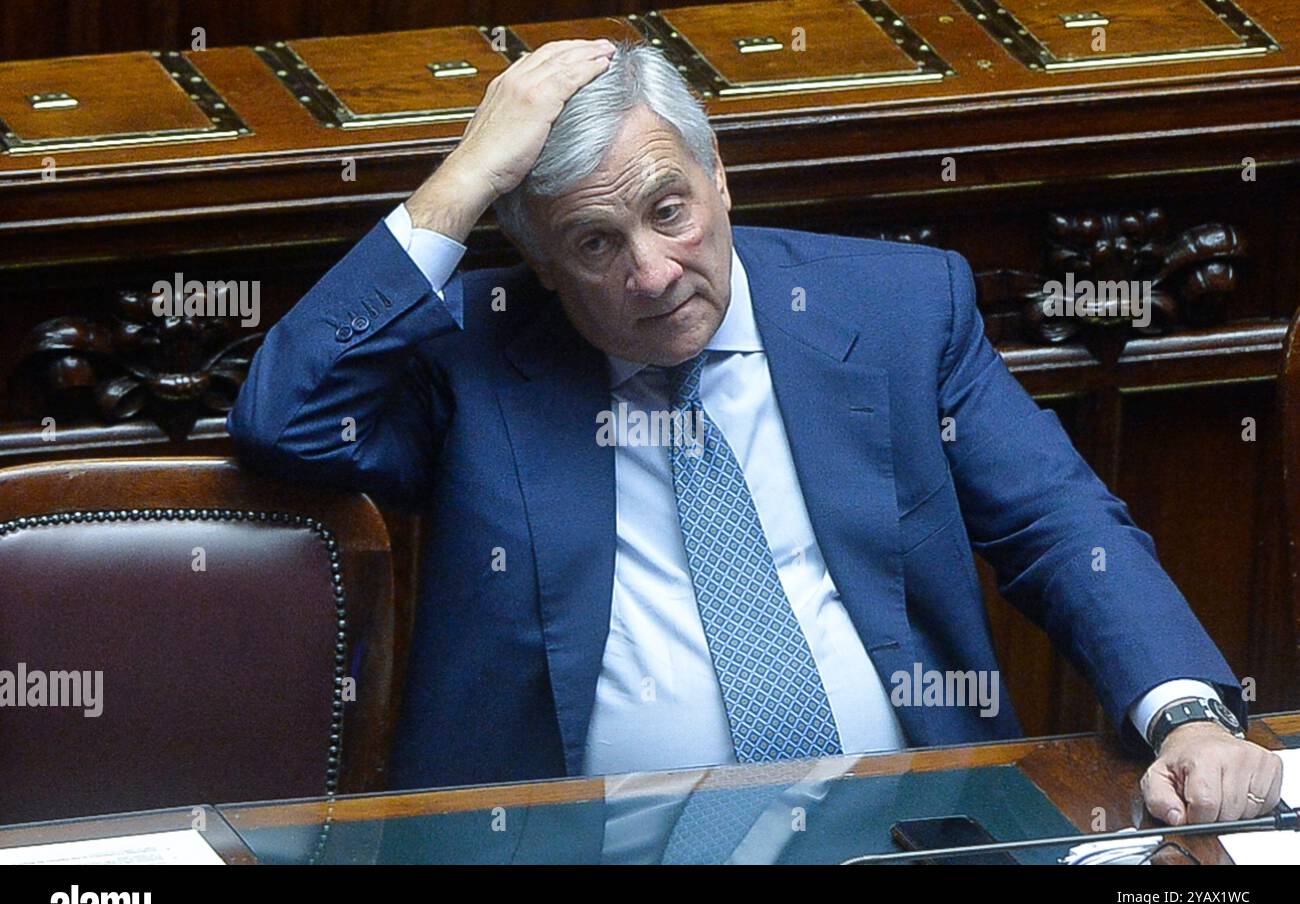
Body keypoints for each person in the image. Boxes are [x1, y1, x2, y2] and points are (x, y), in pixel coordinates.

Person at [228, 38, 1284, 827]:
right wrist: (459, 181)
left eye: (668, 210)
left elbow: (1060, 525)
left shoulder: (897, 310)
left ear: (719, 175)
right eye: (596, 242)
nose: (649, 271)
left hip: (909, 841)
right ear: (540, 263)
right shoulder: (480, 352)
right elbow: (285, 417)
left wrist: (1183, 710)